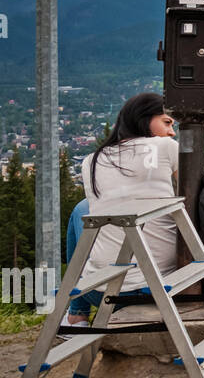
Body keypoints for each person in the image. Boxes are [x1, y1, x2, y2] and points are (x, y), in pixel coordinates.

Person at [64, 93, 179, 327]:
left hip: (98, 291)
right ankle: (76, 314)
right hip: (160, 286)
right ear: (143, 119)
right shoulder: (166, 147)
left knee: (82, 210)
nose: (172, 132)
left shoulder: (91, 160)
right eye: (167, 122)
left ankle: (77, 314)